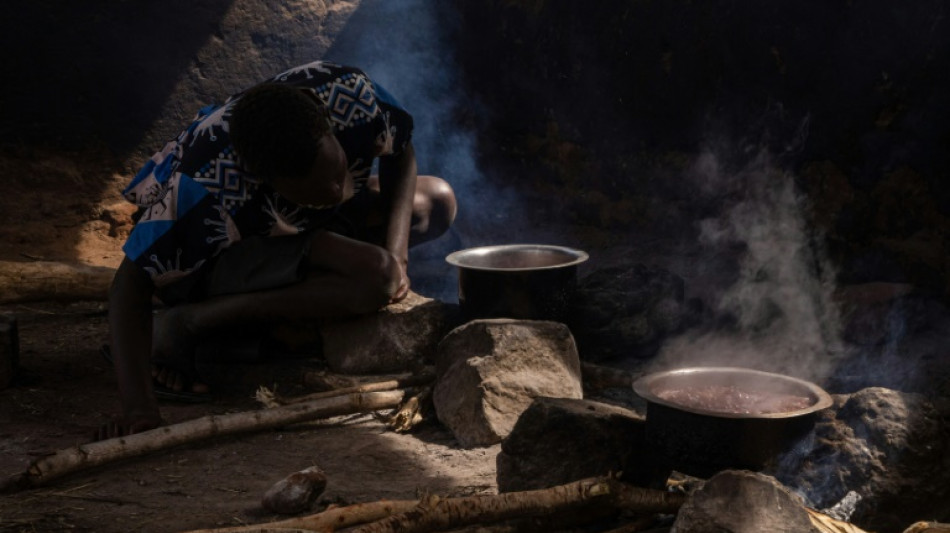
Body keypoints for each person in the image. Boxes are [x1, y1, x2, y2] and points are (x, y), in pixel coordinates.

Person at [96, 60, 457, 439]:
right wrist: (139, 408)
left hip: (299, 225)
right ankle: (187, 322)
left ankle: (271, 323)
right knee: (375, 276)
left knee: (435, 201)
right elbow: (128, 285)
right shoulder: (203, 189)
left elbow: (401, 152)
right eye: (319, 188)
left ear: (328, 124)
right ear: (265, 181)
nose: (338, 190)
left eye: (338, 172)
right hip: (223, 255)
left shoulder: (352, 94)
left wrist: (398, 252)